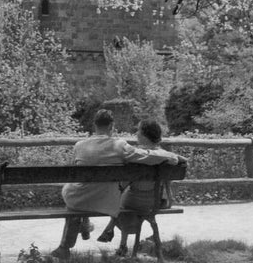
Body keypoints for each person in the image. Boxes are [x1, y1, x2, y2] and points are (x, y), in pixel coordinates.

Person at [50, 110, 180, 261]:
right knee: (89, 193)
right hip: (105, 202)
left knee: (74, 195)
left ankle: (66, 245)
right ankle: (83, 224)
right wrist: (171, 156)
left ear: (94, 125)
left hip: (77, 200)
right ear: (112, 125)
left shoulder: (79, 145)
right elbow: (147, 156)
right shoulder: (119, 146)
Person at [96, 119, 184, 254]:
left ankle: (120, 242)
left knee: (121, 198)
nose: (136, 133)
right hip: (156, 202)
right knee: (125, 197)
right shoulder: (165, 156)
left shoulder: (136, 156)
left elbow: (124, 184)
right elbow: (179, 161)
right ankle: (116, 237)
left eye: (138, 130)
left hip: (134, 202)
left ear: (144, 134)